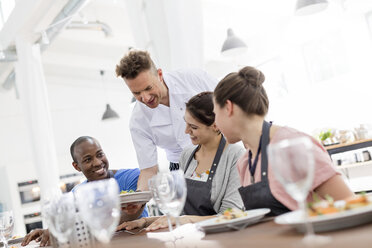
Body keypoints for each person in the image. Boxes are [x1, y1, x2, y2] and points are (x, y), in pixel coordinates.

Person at [212, 66, 354, 216]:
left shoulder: (293, 144)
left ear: (228, 107)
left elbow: (350, 204)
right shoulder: (245, 163)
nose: (215, 123)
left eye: (215, 113)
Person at [116, 92, 244, 231]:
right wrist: (144, 221)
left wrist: (186, 220)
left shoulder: (236, 156)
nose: (186, 131)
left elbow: (232, 215)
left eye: (193, 127)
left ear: (216, 125)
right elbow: (180, 215)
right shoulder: (187, 155)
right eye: (186, 123)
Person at [115, 50, 218, 191]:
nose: (145, 98)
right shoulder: (138, 121)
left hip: (218, 154)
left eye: (148, 88)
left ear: (160, 75)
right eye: (136, 93)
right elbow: (149, 171)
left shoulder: (193, 78)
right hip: (180, 169)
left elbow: (231, 107)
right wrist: (137, 199)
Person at [22, 136, 148, 246]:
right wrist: (53, 230)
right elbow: (70, 222)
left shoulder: (132, 176)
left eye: (100, 154)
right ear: (76, 166)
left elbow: (132, 213)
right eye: (88, 159)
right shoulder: (78, 193)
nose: (98, 162)